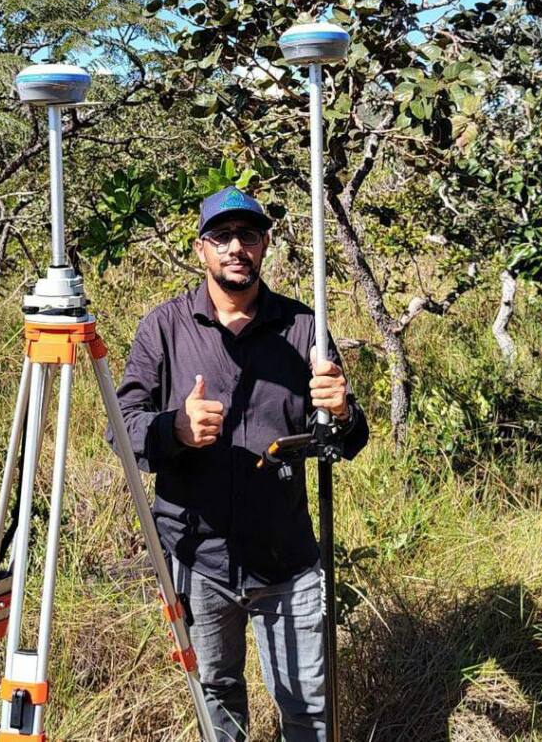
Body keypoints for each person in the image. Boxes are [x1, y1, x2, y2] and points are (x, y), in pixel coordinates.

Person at [109, 186, 369, 742]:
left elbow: (347, 439)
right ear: (201, 249)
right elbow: (121, 428)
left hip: (286, 560)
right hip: (196, 556)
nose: (235, 248)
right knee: (218, 701)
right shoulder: (164, 328)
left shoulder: (303, 327)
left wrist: (341, 410)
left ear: (265, 245)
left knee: (308, 709)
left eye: (247, 236)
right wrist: (173, 428)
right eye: (221, 237)